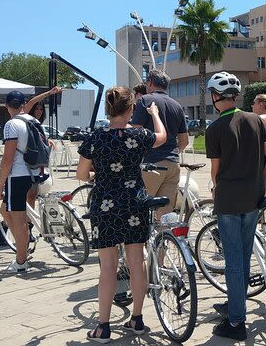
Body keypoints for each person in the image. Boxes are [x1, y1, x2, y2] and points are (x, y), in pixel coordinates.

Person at [77, 87, 166, 343]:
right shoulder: (139, 135)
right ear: (131, 109)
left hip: (105, 205)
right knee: (137, 261)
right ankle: (137, 319)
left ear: (108, 109)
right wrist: (155, 113)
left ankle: (103, 327)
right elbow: (162, 136)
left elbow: (81, 175)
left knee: (108, 266)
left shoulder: (95, 137)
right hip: (134, 202)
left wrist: (97, 175)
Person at [205, 72, 266, 340]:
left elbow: (215, 171)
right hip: (254, 198)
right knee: (244, 257)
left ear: (215, 96)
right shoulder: (256, 120)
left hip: (229, 200)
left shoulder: (214, 129)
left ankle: (236, 322)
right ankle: (236, 304)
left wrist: (215, 188)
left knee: (234, 261)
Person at [130, 69, 188, 219]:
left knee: (138, 209)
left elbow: (134, 133)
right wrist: (172, 152)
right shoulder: (177, 106)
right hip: (173, 165)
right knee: (165, 214)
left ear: (149, 82)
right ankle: (164, 240)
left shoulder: (145, 100)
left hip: (151, 164)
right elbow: (184, 141)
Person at [0, 91, 42, 274]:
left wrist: (0, 186)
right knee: (6, 210)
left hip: (18, 175)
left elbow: (8, 159)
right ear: (24, 104)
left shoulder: (11, 125)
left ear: (6, 106)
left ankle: (21, 261)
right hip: (35, 173)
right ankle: (23, 246)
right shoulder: (34, 122)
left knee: (18, 219)